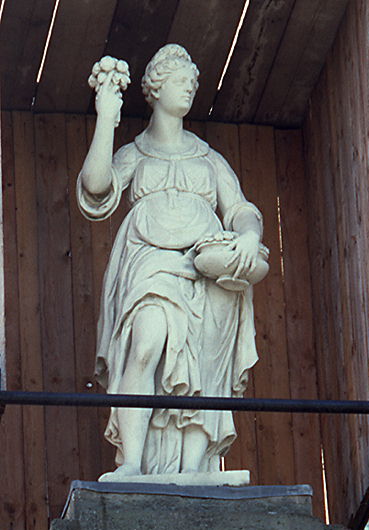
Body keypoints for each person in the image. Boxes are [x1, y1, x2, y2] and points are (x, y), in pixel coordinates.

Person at [77, 44, 264, 478]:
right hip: (149, 261)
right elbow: (96, 189)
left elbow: (239, 208)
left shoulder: (207, 157)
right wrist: (106, 118)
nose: (190, 90)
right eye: (181, 82)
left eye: (193, 84)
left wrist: (250, 236)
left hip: (209, 268)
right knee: (144, 344)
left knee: (207, 366)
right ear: (156, 89)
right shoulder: (136, 153)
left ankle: (196, 468)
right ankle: (135, 463)